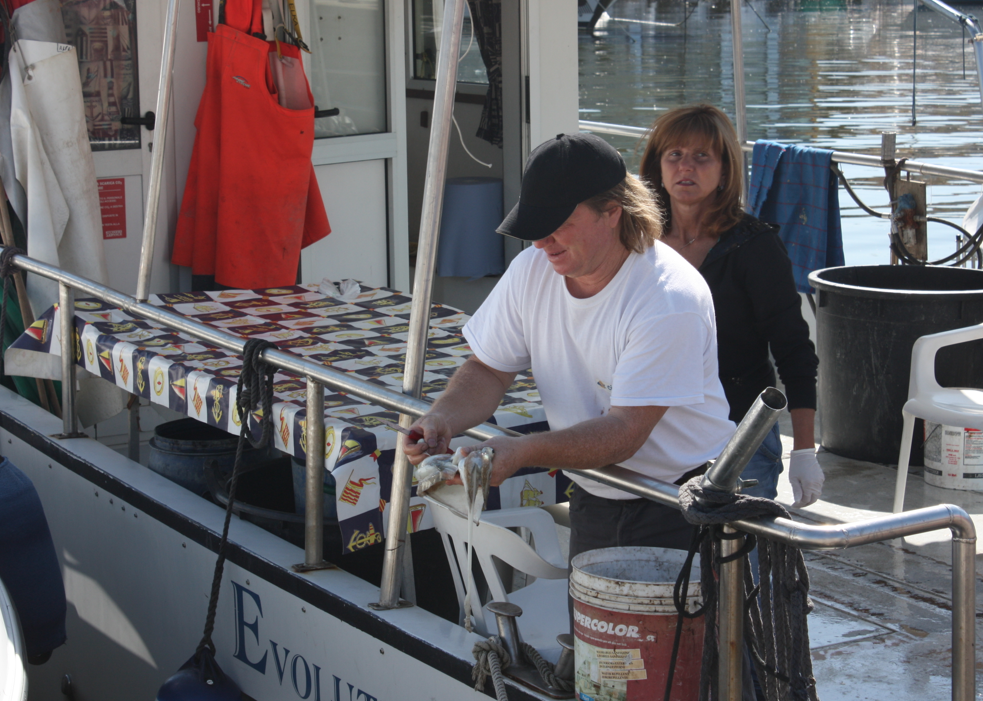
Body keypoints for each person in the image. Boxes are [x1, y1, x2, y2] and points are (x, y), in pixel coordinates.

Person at [402, 132, 736, 558]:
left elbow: (625, 433)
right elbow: (489, 369)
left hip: (683, 503)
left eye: (558, 225)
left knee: (681, 627)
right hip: (596, 490)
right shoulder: (531, 270)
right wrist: (442, 418)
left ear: (612, 212)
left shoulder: (667, 298)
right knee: (593, 625)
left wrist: (523, 451)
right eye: (535, 227)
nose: (541, 242)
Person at [638, 104, 824, 507]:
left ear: (725, 169)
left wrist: (805, 451)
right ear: (658, 166)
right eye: (675, 155)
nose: (686, 166)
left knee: (740, 567)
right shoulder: (638, 242)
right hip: (653, 431)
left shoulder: (755, 247)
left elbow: (794, 352)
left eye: (702, 156)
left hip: (738, 434)